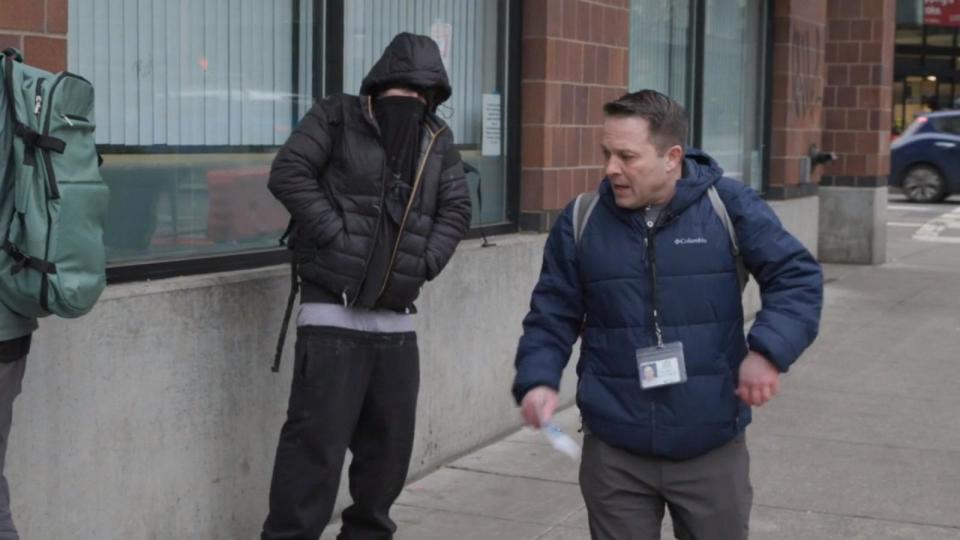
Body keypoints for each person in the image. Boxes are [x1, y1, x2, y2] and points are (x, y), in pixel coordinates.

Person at [512, 89, 822, 540]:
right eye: (606, 153)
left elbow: (797, 278)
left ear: (672, 156)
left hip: (710, 443)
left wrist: (769, 352)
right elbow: (551, 313)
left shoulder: (728, 206)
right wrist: (538, 378)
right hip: (615, 449)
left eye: (626, 156)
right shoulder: (581, 219)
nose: (610, 169)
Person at [261, 33, 472, 539]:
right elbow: (288, 172)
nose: (409, 104)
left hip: (396, 321)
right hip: (330, 315)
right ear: (378, 85)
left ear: (433, 96)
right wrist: (337, 235)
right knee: (313, 453)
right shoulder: (335, 116)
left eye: (419, 96)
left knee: (387, 458)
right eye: (400, 92)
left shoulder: (436, 140)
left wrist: (423, 262)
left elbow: (458, 209)